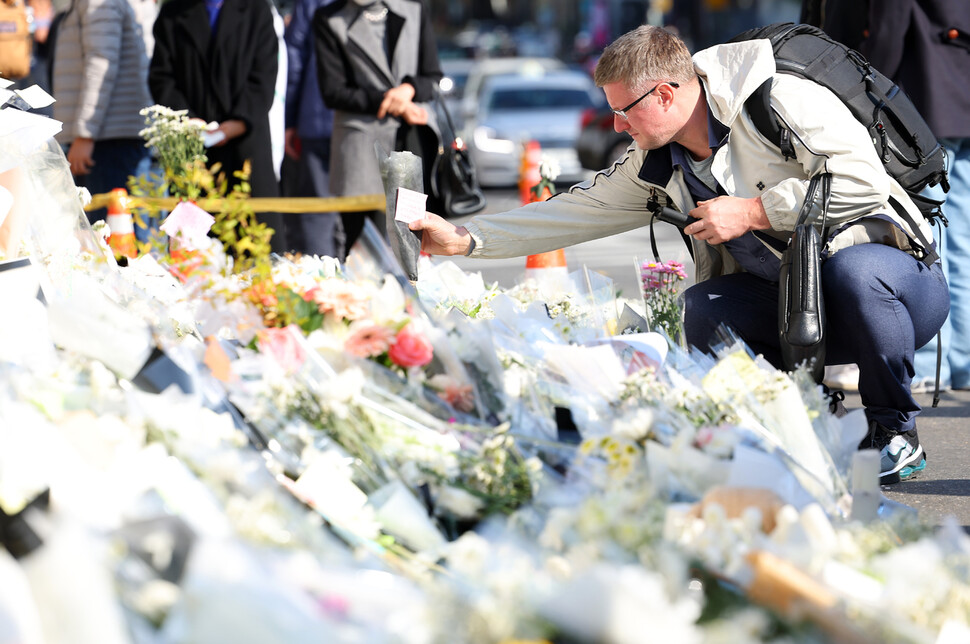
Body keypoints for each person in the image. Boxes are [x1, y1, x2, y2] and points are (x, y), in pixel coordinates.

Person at [411, 25, 949, 484]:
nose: (618, 127)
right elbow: (574, 211)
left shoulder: (777, 98)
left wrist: (755, 212)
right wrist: (467, 240)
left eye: (624, 111)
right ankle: (791, 423)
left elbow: (862, 181)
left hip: (897, 292)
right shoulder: (654, 162)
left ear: (665, 96)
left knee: (853, 273)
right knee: (704, 306)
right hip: (795, 310)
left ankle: (894, 432)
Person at [804, 1, 970, 396]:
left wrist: (863, 87)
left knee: (929, 232)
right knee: (959, 233)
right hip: (956, 86)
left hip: (922, 95)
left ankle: (932, 362)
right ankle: (961, 360)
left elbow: (890, 19)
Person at [149, 0, 287, 253]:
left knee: (255, 249)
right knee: (192, 258)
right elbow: (161, 77)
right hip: (192, 148)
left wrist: (234, 123)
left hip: (246, 145)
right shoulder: (173, 12)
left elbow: (264, 77)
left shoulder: (256, 10)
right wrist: (189, 120)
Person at [313, 0, 441, 255]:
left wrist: (409, 89)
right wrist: (393, 102)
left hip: (410, 140)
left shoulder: (413, 9)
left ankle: (410, 292)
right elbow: (333, 92)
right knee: (360, 243)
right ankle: (362, 295)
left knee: (411, 235)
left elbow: (432, 76)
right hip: (359, 145)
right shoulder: (330, 17)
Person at [51, 0, 156, 224]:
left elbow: (100, 65)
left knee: (116, 242)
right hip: (109, 135)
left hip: (109, 141)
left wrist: (85, 134)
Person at [282, 0, 344, 259]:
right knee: (370, 214)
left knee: (318, 210)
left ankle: (323, 288)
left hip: (319, 118)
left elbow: (294, 59)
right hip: (373, 121)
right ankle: (377, 288)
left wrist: (290, 121)